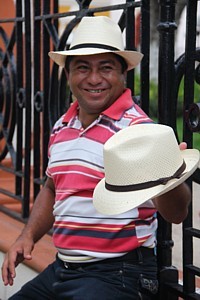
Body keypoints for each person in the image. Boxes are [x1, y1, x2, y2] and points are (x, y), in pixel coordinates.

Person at [1, 16, 193, 300]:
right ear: (68, 75)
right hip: (62, 269)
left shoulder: (137, 131)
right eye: (82, 68)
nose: (94, 79)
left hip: (117, 273)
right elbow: (53, 187)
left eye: (106, 67)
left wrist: (170, 177)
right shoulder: (63, 126)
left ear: (123, 74)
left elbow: (177, 214)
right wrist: (27, 236)